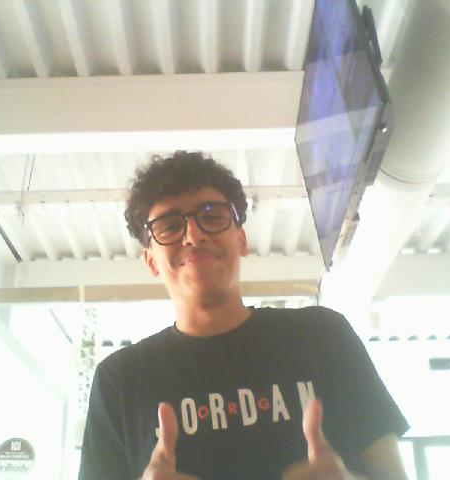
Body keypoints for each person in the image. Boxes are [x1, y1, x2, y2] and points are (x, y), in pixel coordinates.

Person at [78, 151, 409, 480]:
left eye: (212, 216)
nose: (193, 235)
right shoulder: (119, 380)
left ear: (241, 240)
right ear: (151, 261)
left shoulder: (324, 335)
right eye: (169, 226)